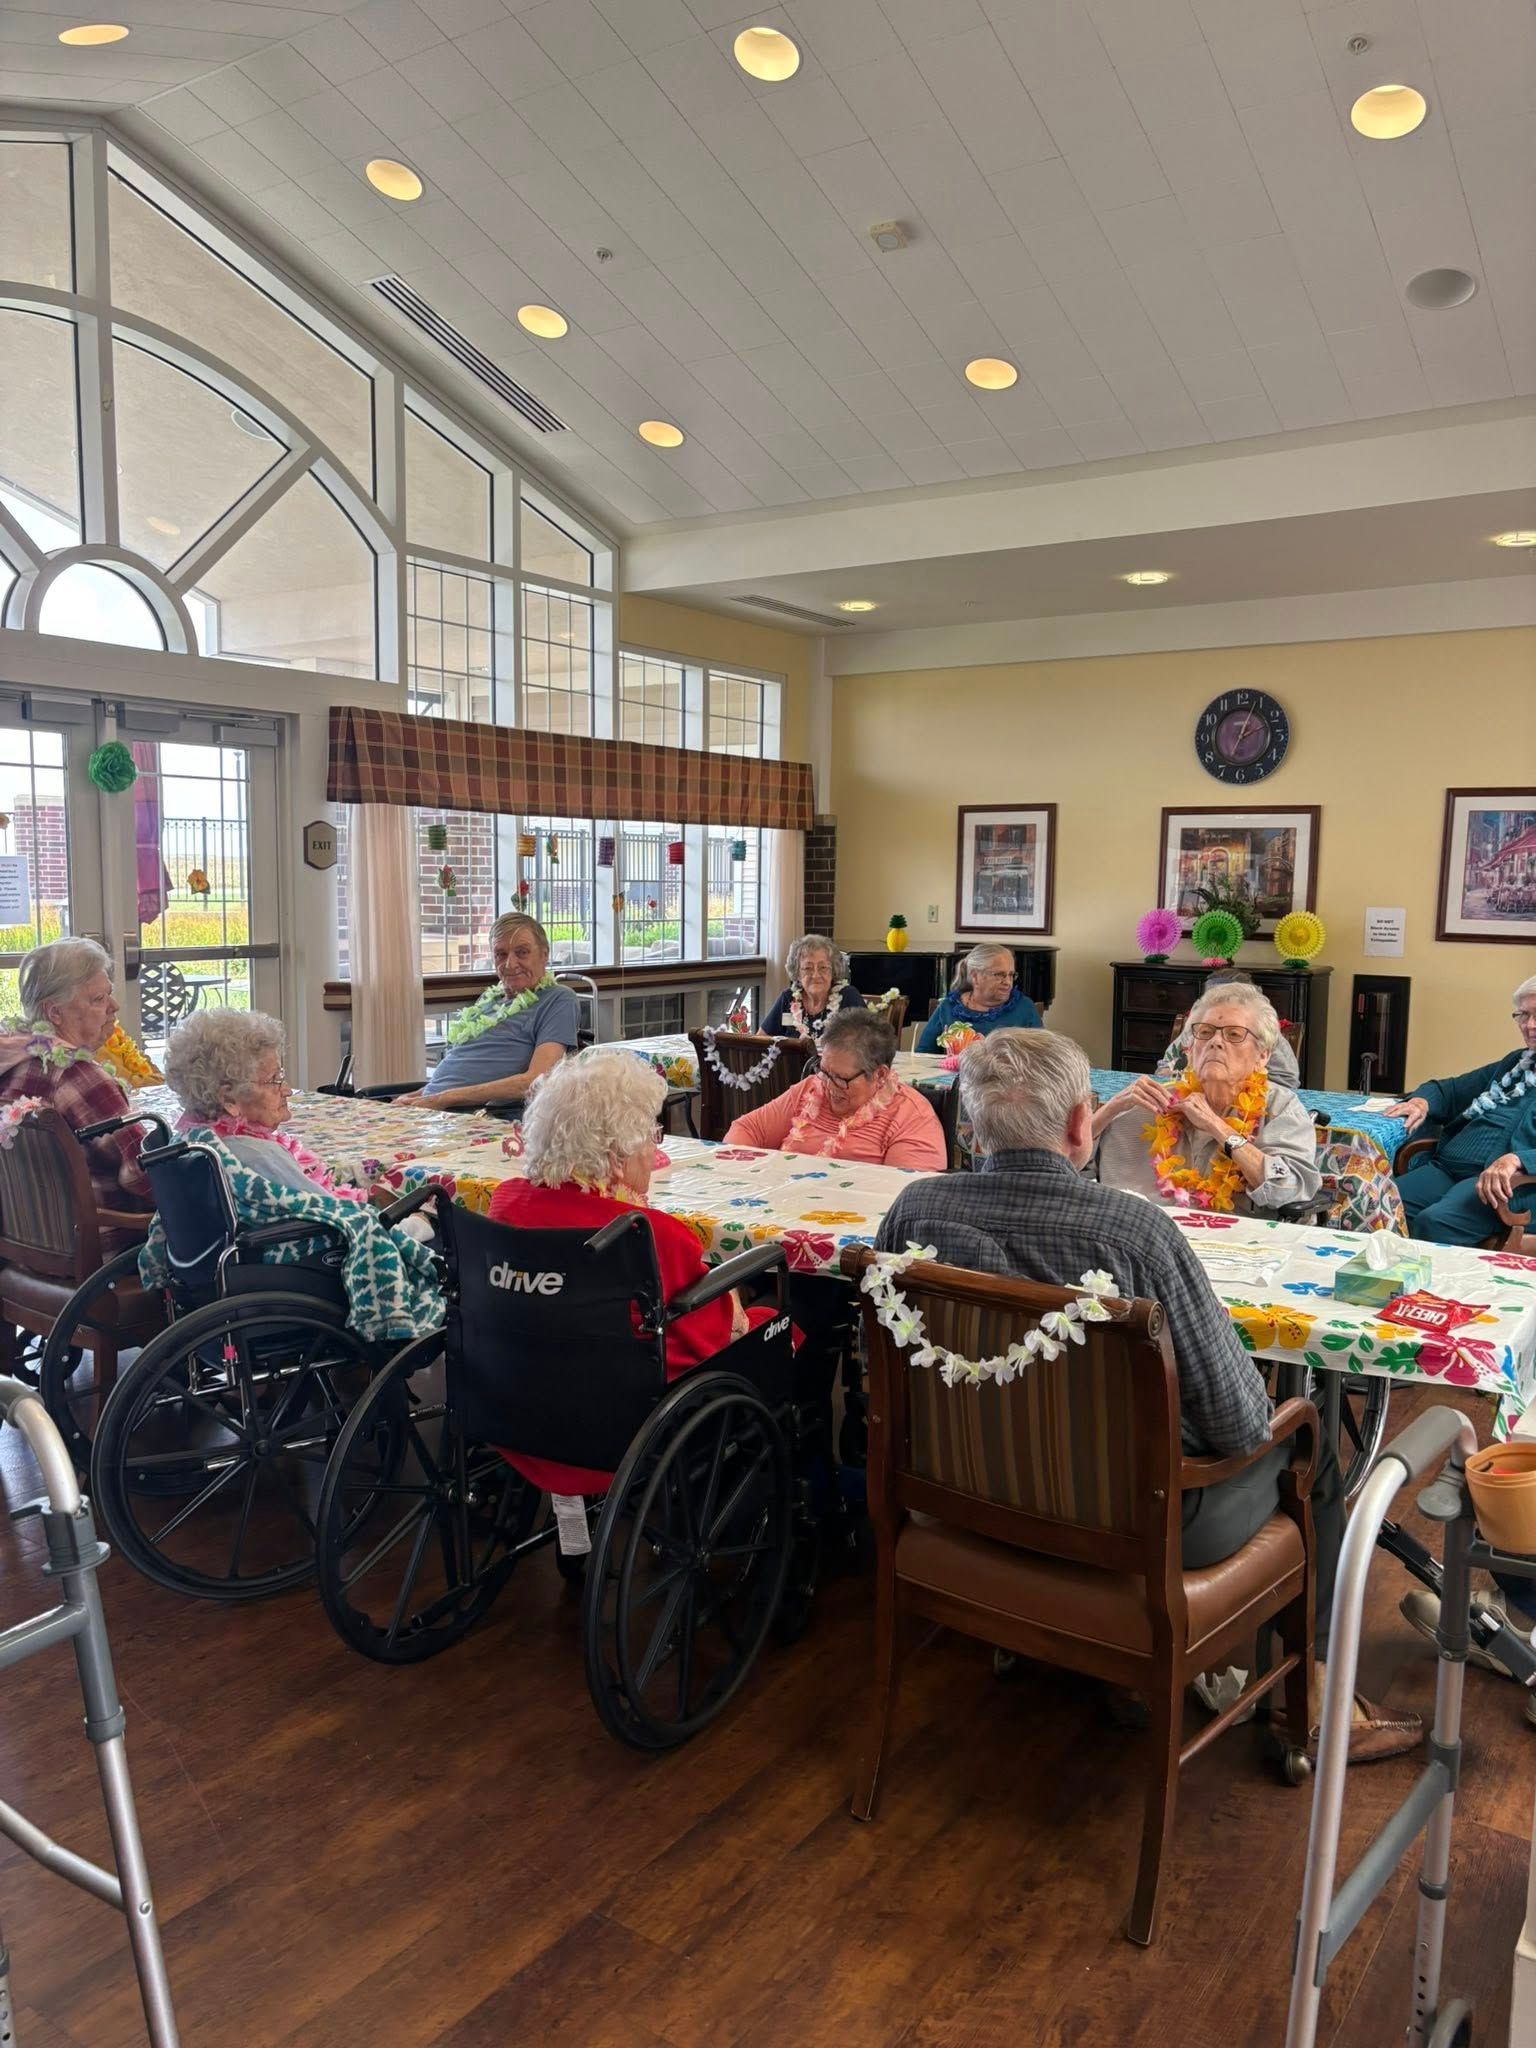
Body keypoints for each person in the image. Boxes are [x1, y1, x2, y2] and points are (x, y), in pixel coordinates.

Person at [874, 1029, 1420, 1763]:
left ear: (968, 1127)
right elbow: (1237, 1425)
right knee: (1307, 1438)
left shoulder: (914, 1212)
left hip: (962, 1492)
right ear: (1079, 1124)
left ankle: (1068, 1648)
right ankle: (1312, 1701)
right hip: (1136, 1517)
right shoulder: (1132, 1233)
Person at [489, 1052, 785, 1495]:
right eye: (651, 1135)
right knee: (780, 1318)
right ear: (615, 1157)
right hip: (615, 1426)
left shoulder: (507, 1202)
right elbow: (712, 1333)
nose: (655, 1148)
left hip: (517, 1406)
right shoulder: (646, 1233)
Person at [1095, 982, 1321, 1215]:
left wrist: (1218, 1127)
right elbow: (1068, 1167)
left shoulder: (1280, 1108)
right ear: (1190, 1050)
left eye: (1234, 1034)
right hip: (1142, 1236)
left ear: (1262, 1056)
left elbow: (1292, 1188)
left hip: (1238, 1243)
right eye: (1205, 1032)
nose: (1215, 1041)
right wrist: (1107, 1112)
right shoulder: (1148, 1104)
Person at [0, 938, 152, 1231]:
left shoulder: (12, 1061)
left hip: (24, 1245)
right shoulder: (76, 1074)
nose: (114, 1006)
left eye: (109, 994)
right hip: (106, 1244)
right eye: (98, 999)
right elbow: (140, 1173)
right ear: (54, 1012)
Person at [164, 1009, 379, 1205]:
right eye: (273, 1080)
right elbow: (343, 1215)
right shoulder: (258, 1158)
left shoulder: (195, 1141)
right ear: (228, 1099)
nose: (286, 1090)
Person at [1383, 974, 1536, 1245]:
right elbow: (1449, 1090)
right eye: (1523, 1015)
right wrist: (1421, 1101)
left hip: (1505, 1185)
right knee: (1374, 1202)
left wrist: (1518, 1159)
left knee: (1437, 1222)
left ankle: (1429, 1289)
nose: (1530, 1026)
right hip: (1446, 1169)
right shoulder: (1516, 1062)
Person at [395, 912, 579, 1110]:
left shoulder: (558, 999)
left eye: (522, 952)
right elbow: (459, 1073)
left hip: (476, 1117)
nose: (510, 964)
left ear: (544, 954)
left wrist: (444, 1099)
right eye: (501, 954)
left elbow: (538, 1080)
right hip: (433, 1110)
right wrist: (414, 1097)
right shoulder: (489, 999)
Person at [723, 1008, 946, 1171]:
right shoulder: (811, 1088)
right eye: (824, 1071)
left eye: (841, 1079)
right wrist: (748, 1175)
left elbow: (903, 1198)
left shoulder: (912, 1117)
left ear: (880, 1075)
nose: (828, 1086)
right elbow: (747, 1129)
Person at [1156, 970, 1301, 1089]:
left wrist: (1235, 1083)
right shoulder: (1198, 1025)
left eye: (1233, 1034)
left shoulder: (1261, 1029)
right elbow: (1164, 1068)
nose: (1216, 1041)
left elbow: (1287, 1081)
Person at [916, 945, 1041, 1053]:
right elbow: (923, 1054)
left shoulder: (1024, 1008)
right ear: (975, 977)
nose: (1008, 982)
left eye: (1011, 975)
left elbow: (1043, 1057)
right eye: (999, 975)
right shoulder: (949, 1007)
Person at [761, 935, 866, 1046]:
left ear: (833, 971)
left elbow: (869, 1045)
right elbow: (760, 1041)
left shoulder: (848, 997)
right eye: (807, 968)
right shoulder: (788, 998)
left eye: (823, 968)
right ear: (797, 974)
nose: (815, 975)